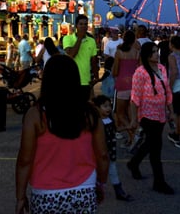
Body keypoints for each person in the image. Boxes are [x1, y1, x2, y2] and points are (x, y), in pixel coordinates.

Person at [14, 54, 109, 213]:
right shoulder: (90, 114)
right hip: (84, 190)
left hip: (46, 193)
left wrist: (20, 196)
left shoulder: (36, 115)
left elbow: (25, 160)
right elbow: (103, 155)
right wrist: (101, 183)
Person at [127, 42, 174, 195]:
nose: (157, 54)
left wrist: (170, 110)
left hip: (160, 113)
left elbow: (167, 90)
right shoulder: (140, 72)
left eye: (157, 51)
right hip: (147, 114)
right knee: (156, 147)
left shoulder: (161, 68)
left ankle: (134, 163)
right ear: (147, 55)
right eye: (153, 52)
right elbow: (135, 97)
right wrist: (134, 119)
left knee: (150, 143)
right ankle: (159, 181)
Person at [92, 94, 132, 201]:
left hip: (111, 151)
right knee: (98, 171)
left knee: (113, 170)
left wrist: (128, 127)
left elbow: (116, 129)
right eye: (105, 106)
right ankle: (96, 190)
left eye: (109, 106)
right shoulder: (96, 122)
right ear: (97, 108)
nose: (108, 108)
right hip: (100, 153)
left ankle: (118, 191)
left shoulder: (110, 120)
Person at [112, 30, 140, 147]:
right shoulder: (137, 53)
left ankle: (132, 136)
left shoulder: (119, 53)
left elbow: (115, 71)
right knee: (132, 115)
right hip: (134, 85)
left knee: (120, 114)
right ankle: (133, 136)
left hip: (122, 84)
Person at [63, 14, 99, 100]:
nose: (83, 26)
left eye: (85, 24)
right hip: (71, 81)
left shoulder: (91, 41)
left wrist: (96, 77)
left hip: (86, 81)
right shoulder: (67, 39)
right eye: (81, 24)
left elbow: (93, 61)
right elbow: (71, 54)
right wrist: (79, 38)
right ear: (76, 26)